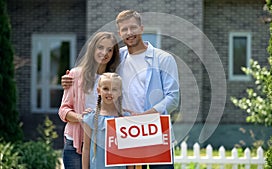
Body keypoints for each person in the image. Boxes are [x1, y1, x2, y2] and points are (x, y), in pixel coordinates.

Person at [62, 10, 180, 169]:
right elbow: (97, 74)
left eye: (133, 28)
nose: (129, 33)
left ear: (142, 28)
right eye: (124, 29)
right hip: (124, 134)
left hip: (154, 131)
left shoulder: (163, 59)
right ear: (120, 33)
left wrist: (143, 117)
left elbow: (173, 98)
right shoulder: (118, 58)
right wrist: (70, 78)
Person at [58, 32, 120, 169]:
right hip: (76, 142)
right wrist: (83, 118)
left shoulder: (114, 79)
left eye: (110, 50)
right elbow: (63, 110)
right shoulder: (75, 75)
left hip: (102, 143)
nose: (104, 53)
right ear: (92, 49)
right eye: (100, 47)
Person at [82, 72, 126, 169]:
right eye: (106, 88)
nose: (109, 93)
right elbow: (86, 148)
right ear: (98, 90)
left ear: (119, 92)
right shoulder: (90, 118)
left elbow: (130, 151)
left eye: (114, 89)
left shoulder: (125, 118)